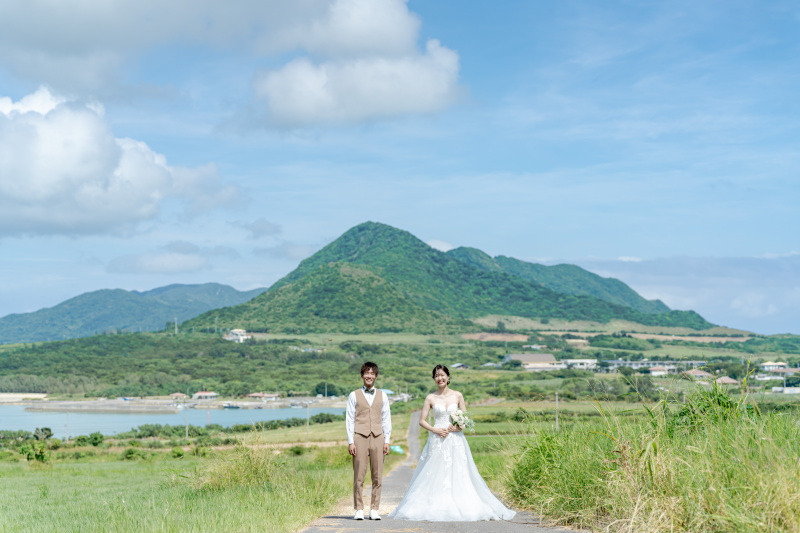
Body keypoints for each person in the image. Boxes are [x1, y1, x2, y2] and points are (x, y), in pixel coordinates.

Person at [389, 364, 516, 522]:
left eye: (442, 375)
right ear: (434, 379)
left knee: (459, 470)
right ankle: (434, 503)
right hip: (437, 439)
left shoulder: (458, 395)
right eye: (436, 375)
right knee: (435, 471)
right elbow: (422, 421)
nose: (440, 378)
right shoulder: (430, 398)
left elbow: (465, 418)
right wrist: (435, 430)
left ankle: (463, 501)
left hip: (455, 439)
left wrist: (458, 426)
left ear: (448, 377)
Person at [346, 361, 392, 521]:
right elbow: (349, 419)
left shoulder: (383, 395)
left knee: (377, 475)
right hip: (360, 436)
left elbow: (386, 418)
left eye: (372, 373)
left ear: (376, 376)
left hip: (378, 436)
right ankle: (359, 509)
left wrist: (387, 440)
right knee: (359, 475)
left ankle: (374, 509)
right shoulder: (353, 395)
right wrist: (351, 441)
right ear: (362, 375)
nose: (369, 376)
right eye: (367, 373)